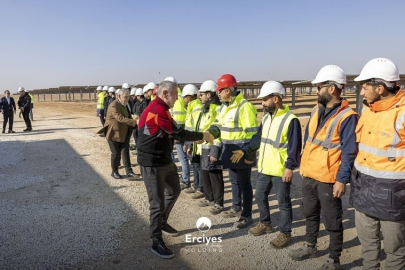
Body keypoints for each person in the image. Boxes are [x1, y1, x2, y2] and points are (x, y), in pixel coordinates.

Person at [288, 65, 359, 270]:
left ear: (332, 88)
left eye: (319, 87)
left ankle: (333, 259)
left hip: (328, 178)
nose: (316, 91)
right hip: (309, 174)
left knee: (332, 219)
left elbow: (349, 152)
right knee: (309, 212)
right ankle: (310, 245)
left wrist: (341, 180)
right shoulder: (315, 110)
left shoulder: (347, 117)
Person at [137, 80, 214, 259]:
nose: (177, 99)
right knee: (156, 203)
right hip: (152, 163)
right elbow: (178, 133)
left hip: (164, 160)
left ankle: (162, 221)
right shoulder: (157, 110)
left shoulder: (162, 109)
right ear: (165, 94)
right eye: (175, 95)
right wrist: (203, 135)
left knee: (174, 190)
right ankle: (156, 241)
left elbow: (175, 130)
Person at [231, 81, 302, 248]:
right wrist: (245, 150)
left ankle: (285, 233)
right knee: (259, 196)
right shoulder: (267, 117)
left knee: (283, 203)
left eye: (265, 99)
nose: (262, 103)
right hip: (264, 168)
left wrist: (290, 167)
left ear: (275, 98)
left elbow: (294, 147)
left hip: (279, 170)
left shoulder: (291, 120)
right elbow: (257, 138)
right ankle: (265, 223)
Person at [351, 58, 405, 270]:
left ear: (380, 88)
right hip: (363, 190)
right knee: (368, 245)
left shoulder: (402, 113)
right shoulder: (368, 111)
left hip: (393, 196)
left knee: (395, 250)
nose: (362, 93)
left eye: (365, 87)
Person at [207, 74, 259, 229]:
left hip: (241, 153)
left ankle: (247, 215)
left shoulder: (245, 106)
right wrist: (208, 134)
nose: (218, 94)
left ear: (228, 90)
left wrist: (249, 155)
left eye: (220, 91)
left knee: (245, 185)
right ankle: (236, 207)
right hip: (229, 151)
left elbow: (253, 133)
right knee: (234, 181)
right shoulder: (224, 107)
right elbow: (217, 125)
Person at [191, 80, 225, 214]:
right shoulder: (205, 108)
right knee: (205, 172)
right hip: (204, 146)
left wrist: (215, 150)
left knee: (215, 174)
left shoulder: (217, 108)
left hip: (213, 146)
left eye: (202, 94)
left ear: (209, 95)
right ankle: (209, 197)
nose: (200, 97)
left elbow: (218, 130)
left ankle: (218, 202)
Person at [98, 89, 141, 181]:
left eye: (128, 97)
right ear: (119, 96)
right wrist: (134, 121)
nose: (127, 99)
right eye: (125, 97)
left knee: (125, 152)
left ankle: (129, 171)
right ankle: (114, 171)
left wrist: (133, 119)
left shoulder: (125, 105)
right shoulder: (114, 105)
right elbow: (120, 118)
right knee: (115, 153)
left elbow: (128, 116)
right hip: (113, 133)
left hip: (124, 133)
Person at [182, 84, 204, 198]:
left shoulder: (196, 108)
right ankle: (196, 185)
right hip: (193, 142)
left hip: (197, 143)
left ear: (189, 97)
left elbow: (194, 129)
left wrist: (189, 144)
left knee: (198, 166)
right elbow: (189, 128)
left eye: (184, 97)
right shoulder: (192, 108)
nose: (183, 100)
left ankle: (200, 187)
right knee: (195, 165)